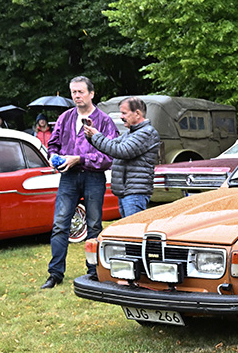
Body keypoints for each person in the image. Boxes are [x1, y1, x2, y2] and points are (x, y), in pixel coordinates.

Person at [40, 76, 117, 289]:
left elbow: (109, 156)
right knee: (59, 224)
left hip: (93, 177)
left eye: (80, 92)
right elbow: (52, 145)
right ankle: (55, 273)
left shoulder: (104, 121)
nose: (76, 96)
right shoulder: (64, 118)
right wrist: (55, 158)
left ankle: (93, 271)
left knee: (94, 225)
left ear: (91, 94)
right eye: (73, 92)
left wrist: (80, 159)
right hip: (68, 176)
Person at [84, 96, 160, 217]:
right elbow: (111, 145)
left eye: (124, 113)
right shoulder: (131, 133)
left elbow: (121, 151)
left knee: (133, 231)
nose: (121, 117)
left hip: (135, 193)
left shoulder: (147, 133)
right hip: (126, 191)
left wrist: (96, 136)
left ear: (137, 113)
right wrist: (92, 135)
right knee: (126, 232)